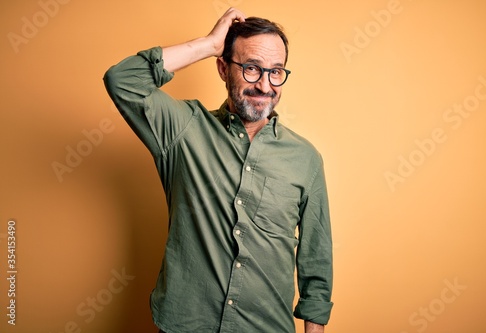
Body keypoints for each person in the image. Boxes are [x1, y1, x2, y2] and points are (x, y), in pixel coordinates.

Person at [103, 7, 333, 333]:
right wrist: (210, 44)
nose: (265, 85)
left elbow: (316, 263)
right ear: (223, 69)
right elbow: (122, 81)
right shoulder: (183, 129)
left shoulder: (306, 159)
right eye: (251, 68)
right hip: (184, 324)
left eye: (276, 71)